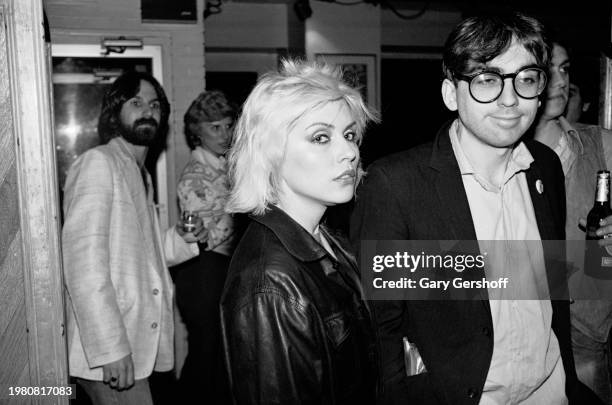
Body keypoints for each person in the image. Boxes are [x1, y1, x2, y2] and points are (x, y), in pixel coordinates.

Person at [351, 13, 599, 404]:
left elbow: (543, 281)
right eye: (487, 80)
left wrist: (600, 259)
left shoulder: (546, 167)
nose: (510, 98)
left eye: (527, 79)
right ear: (451, 93)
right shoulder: (397, 184)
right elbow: (380, 329)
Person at [220, 59, 379, 404]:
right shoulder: (271, 282)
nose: (349, 152)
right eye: (321, 137)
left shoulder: (328, 239)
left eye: (350, 135)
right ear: (270, 154)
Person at [62, 71, 204, 405]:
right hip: (109, 352)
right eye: (136, 102)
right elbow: (83, 265)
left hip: (133, 343)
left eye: (155, 105)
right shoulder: (99, 164)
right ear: (114, 113)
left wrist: (182, 238)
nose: (148, 111)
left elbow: (140, 258)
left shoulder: (139, 173)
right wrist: (110, 347)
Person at [533, 38, 612, 404]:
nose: (560, 80)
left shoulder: (600, 145)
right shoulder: (502, 155)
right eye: (549, 70)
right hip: (527, 336)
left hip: (587, 334)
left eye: (564, 69)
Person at [173, 90, 238, 402]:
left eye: (228, 126)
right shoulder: (195, 176)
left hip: (217, 269)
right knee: (206, 353)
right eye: (216, 127)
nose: (225, 134)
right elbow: (204, 235)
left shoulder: (223, 168)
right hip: (201, 271)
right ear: (196, 131)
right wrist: (239, 203)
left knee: (219, 355)